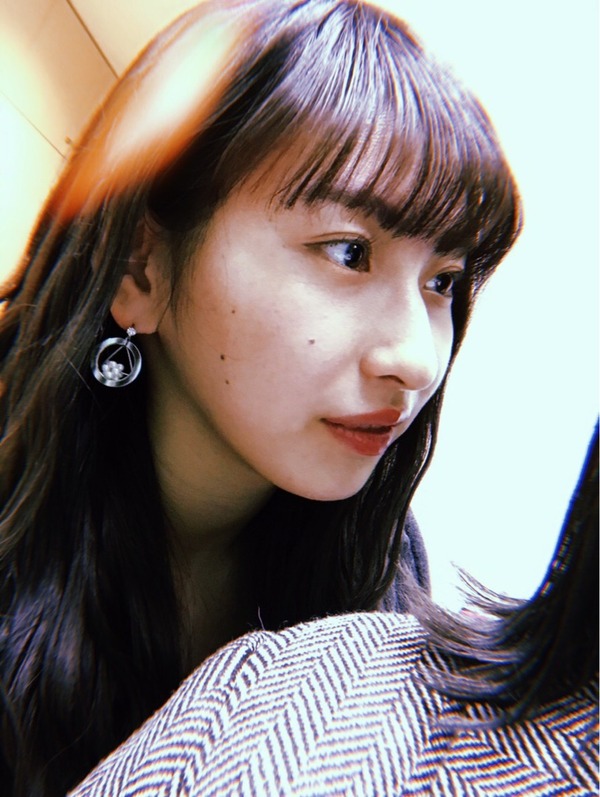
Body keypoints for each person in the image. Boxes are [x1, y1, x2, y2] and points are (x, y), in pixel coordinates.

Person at [0, 0, 521, 794]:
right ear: (141, 268)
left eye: (444, 281)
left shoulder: (380, 566)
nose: (417, 360)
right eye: (348, 252)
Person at [69, 426, 599, 796]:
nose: (416, 361)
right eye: (349, 262)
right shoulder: (327, 691)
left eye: (442, 299)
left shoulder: (377, 552)